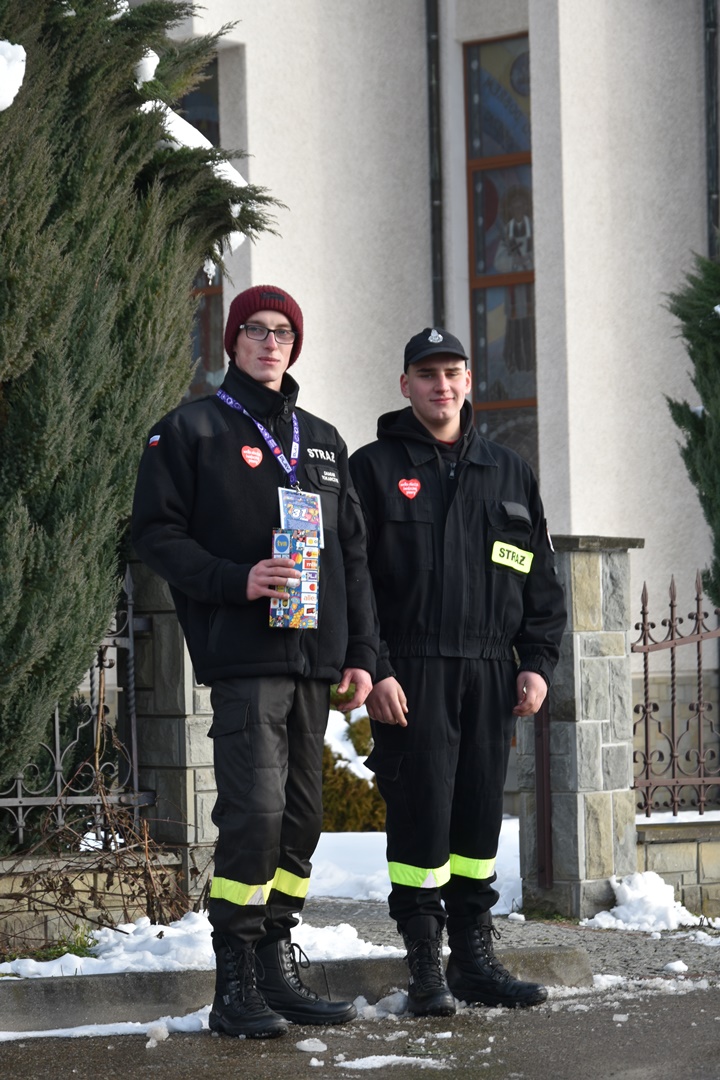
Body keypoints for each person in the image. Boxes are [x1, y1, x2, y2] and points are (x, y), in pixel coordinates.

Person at [132, 285, 378, 1039]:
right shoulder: (191, 431)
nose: (271, 343)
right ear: (232, 341)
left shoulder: (323, 441)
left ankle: (274, 967)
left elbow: (353, 557)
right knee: (256, 815)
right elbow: (155, 536)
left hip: (314, 664)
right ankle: (233, 981)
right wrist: (233, 579)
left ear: (294, 347)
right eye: (256, 330)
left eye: (283, 333)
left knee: (301, 822)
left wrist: (362, 653)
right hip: (244, 660)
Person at [349, 326, 566, 1017]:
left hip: (489, 674)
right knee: (420, 817)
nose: (441, 386)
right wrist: (378, 667)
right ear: (405, 385)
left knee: (476, 821)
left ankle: (472, 960)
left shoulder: (509, 472)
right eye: (427, 374)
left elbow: (539, 580)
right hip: (411, 674)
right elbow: (354, 583)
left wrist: (536, 663)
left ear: (470, 381)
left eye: (452, 373)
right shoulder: (373, 468)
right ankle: (424, 966)